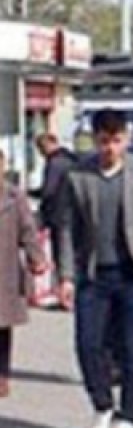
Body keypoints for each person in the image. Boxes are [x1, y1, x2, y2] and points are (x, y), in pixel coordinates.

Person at [54, 109, 133, 428]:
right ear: (94, 139)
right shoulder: (77, 175)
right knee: (88, 345)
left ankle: (127, 416)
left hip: (132, 275)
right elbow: (66, 229)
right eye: (104, 141)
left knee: (131, 348)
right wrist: (65, 276)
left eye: (117, 141)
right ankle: (103, 405)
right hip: (93, 275)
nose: (110, 148)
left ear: (127, 139)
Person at [0, 149, 49, 398]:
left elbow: (27, 229)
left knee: (2, 326)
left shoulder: (14, 196)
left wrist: (36, 258)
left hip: (5, 269)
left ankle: (2, 374)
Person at [34, 133, 76, 309]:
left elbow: (48, 191)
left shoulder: (54, 163)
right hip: (73, 214)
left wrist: (32, 193)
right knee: (72, 255)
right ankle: (72, 295)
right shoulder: (71, 160)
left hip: (57, 215)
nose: (41, 152)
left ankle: (65, 297)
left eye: (41, 148)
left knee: (61, 256)